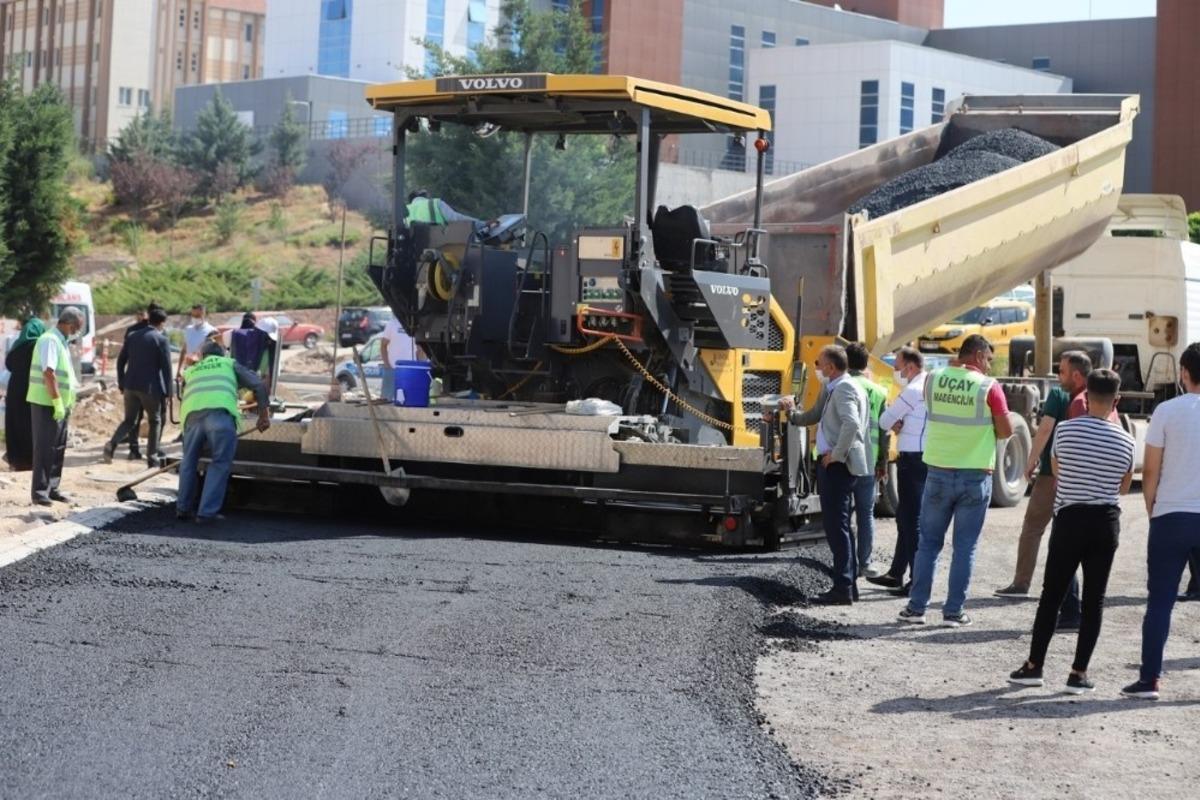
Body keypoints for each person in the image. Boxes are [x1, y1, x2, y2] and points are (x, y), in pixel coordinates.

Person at [1008, 369, 1133, 694]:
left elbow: (1058, 471)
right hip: (1105, 522)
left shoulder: (1064, 431)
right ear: (1117, 400)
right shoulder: (1127, 440)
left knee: (1051, 595)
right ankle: (1078, 673)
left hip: (1069, 519)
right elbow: (1122, 488)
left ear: (1086, 397)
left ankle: (1034, 666)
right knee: (1094, 600)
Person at [899, 334, 1012, 627]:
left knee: (928, 544)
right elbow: (1006, 431)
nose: (989, 365)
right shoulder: (989, 386)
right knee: (964, 547)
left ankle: (916, 608)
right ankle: (952, 612)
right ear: (978, 355)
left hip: (938, 471)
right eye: (988, 359)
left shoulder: (933, 379)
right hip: (974, 475)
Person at [1122, 342, 1200, 700]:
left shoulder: (1166, 411)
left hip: (1171, 515)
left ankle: (1149, 679)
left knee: (1160, 602)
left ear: (1183, 373)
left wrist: (1153, 508)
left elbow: (1150, 469)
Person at [779, 344, 870, 605]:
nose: (816, 368)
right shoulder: (832, 387)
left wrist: (837, 455)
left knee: (836, 526)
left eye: (818, 364)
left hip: (838, 466)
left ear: (831, 367)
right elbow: (814, 414)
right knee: (841, 526)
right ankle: (848, 585)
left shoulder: (844, 389)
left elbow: (852, 424)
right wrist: (791, 413)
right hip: (836, 464)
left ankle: (843, 588)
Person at [176, 340, 270, 523]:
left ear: (203, 356)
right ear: (222, 354)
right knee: (219, 463)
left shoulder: (191, 369)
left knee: (188, 462)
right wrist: (263, 416)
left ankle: (183, 509)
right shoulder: (228, 363)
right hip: (219, 416)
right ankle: (206, 513)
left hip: (191, 417)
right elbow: (258, 385)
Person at [870, 346, 928, 593]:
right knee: (906, 518)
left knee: (911, 520)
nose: (895, 372)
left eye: (897, 367)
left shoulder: (912, 390)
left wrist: (895, 422)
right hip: (924, 458)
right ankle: (897, 573)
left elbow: (884, 420)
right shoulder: (929, 386)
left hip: (912, 460)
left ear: (910, 367)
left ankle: (916, 580)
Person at [27, 307, 85, 506]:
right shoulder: (50, 340)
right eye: (77, 327)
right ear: (69, 324)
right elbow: (49, 373)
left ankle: (52, 487)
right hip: (47, 403)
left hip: (60, 404)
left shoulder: (61, 341)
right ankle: (39, 492)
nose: (77, 332)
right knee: (44, 448)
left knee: (57, 447)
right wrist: (57, 402)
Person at [103, 306, 173, 468]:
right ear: (162, 323)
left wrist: (121, 382)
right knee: (155, 420)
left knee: (129, 421)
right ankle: (152, 457)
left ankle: (112, 444)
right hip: (150, 388)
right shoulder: (161, 339)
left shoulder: (132, 336)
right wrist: (169, 392)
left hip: (130, 385)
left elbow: (121, 361)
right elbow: (166, 368)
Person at [845, 342, 891, 578]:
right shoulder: (879, 392)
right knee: (866, 514)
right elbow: (885, 433)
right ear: (866, 364)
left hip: (843, 460)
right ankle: (865, 563)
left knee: (843, 514)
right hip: (869, 461)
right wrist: (883, 463)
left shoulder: (841, 386)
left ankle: (845, 564)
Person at [3, 317, 47, 471]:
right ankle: (30, 461)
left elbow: (8, 365)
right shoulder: (38, 345)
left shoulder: (17, 346)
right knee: (29, 425)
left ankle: (15, 460)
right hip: (31, 390)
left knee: (15, 424)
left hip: (14, 389)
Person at [121, 306, 156, 461]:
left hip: (139, 380)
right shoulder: (132, 331)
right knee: (141, 418)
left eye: (143, 314)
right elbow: (124, 356)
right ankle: (137, 449)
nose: (140, 316)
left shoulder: (152, 330)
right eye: (138, 314)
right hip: (142, 381)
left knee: (148, 418)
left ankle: (150, 450)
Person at [379, 314, 421, 402]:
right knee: (387, 400)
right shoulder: (392, 324)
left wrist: (419, 366)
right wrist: (387, 364)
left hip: (410, 370)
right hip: (393, 369)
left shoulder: (415, 326)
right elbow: (383, 345)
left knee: (408, 400)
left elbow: (419, 349)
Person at [177, 303, 217, 377]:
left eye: (198, 316)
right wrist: (179, 370)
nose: (195, 318)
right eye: (193, 315)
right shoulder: (188, 329)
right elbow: (184, 351)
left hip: (204, 371)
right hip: (188, 371)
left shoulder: (212, 330)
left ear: (204, 314)